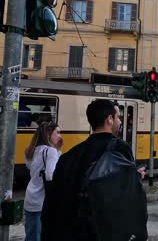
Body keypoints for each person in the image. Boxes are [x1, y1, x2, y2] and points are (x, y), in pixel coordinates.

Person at [41, 99, 147, 241]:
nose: (120, 122)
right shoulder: (120, 148)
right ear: (109, 119)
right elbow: (126, 195)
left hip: (75, 232)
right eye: (118, 117)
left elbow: (53, 203)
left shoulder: (70, 156)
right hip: (104, 232)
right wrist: (135, 178)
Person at [24, 122, 62, 241]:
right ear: (48, 134)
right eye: (57, 132)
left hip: (30, 196)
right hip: (42, 199)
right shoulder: (50, 151)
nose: (60, 136)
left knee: (30, 234)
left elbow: (32, 168)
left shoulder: (30, 150)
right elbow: (51, 176)